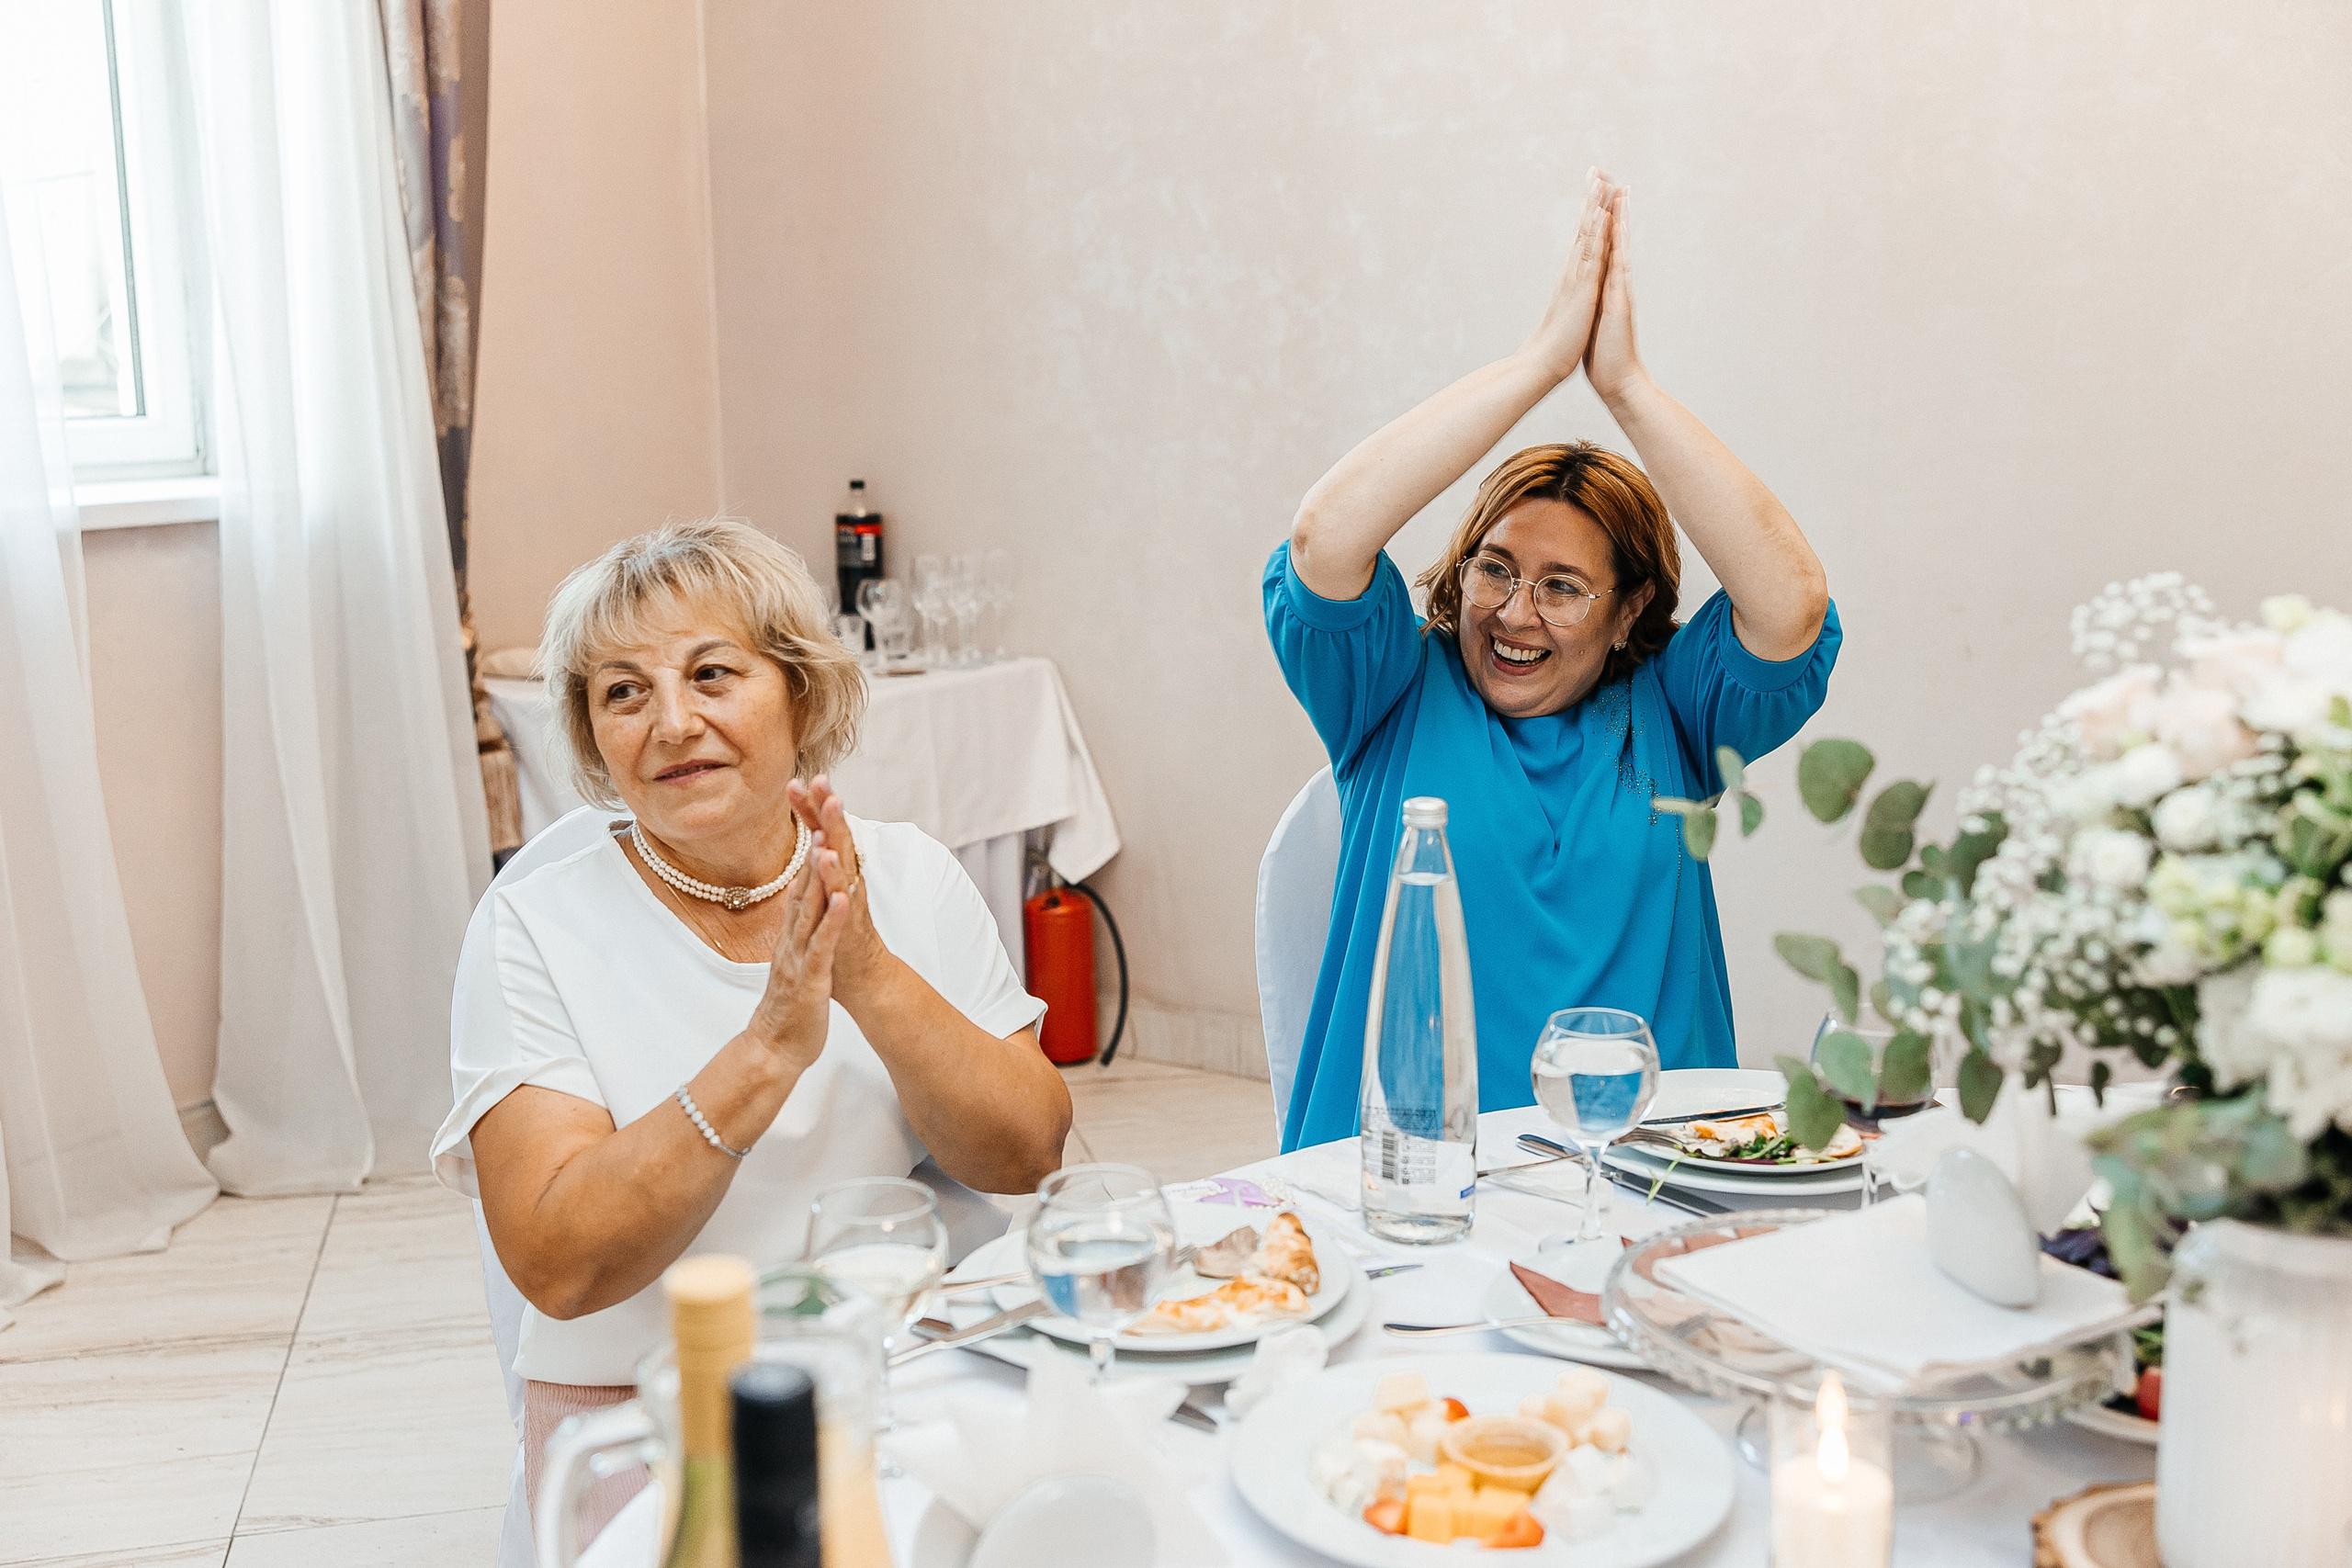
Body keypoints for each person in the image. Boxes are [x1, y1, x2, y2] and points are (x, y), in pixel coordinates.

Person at [429, 518, 1070, 1515]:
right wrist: (766, 1051)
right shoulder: (534, 924)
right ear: (594, 735)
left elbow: (1028, 1152)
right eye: (624, 693)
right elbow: (559, 1263)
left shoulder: (905, 874)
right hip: (646, 1400)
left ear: (799, 692)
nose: (673, 723)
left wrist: (868, 975)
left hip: (899, 1355)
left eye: (714, 674)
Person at [1267, 171, 1839, 1151]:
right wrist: (1538, 364)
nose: (1512, 614)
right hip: (1411, 1171)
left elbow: (1789, 604)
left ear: (1629, 615)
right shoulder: (1395, 690)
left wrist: (1625, 388)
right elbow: (1324, 538)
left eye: (1563, 587)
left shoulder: (1672, 712)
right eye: (1495, 568)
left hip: (1646, 1167)